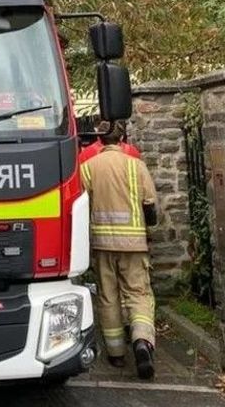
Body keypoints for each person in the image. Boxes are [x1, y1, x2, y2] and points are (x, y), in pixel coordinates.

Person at [79, 121, 159, 379]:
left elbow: (81, 205)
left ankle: (115, 355)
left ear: (100, 140)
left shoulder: (87, 168)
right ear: (123, 137)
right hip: (134, 245)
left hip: (102, 243)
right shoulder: (137, 167)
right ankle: (142, 342)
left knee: (108, 296)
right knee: (138, 294)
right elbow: (150, 207)